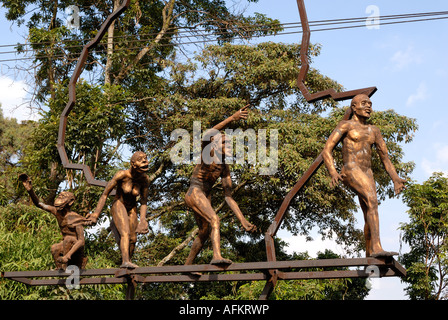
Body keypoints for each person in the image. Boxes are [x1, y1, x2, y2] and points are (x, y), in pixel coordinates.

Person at [322, 94, 406, 257]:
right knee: (373, 201)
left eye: (370, 104)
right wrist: (333, 171)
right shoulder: (345, 125)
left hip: (367, 172)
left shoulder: (374, 130)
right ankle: (377, 247)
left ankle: (369, 252)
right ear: (354, 107)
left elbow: (385, 158)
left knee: (369, 209)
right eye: (364, 103)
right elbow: (327, 150)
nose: (368, 107)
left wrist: (395, 178)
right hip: (351, 169)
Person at [184, 105, 257, 266]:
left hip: (205, 195)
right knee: (214, 220)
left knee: (204, 232)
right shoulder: (207, 153)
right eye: (225, 143)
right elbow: (207, 134)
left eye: (230, 143)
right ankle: (216, 256)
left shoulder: (224, 167)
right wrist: (232, 118)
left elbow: (228, 197)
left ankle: (187, 266)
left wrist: (242, 220)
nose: (229, 146)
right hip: (194, 191)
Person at [86, 151, 150, 268]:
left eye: (146, 158)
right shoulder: (122, 175)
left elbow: (144, 201)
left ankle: (128, 260)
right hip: (119, 204)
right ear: (133, 163)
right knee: (125, 232)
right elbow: (105, 194)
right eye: (141, 160)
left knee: (133, 239)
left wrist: (143, 220)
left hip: (132, 208)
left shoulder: (144, 179)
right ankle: (125, 262)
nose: (145, 162)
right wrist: (96, 214)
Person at [19, 174, 87, 270]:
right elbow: (39, 204)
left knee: (68, 239)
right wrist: (30, 191)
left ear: (70, 202)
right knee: (55, 247)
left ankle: (65, 264)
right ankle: (60, 267)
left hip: (76, 251)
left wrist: (68, 256)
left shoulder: (75, 217)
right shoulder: (56, 212)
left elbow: (81, 241)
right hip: (65, 246)